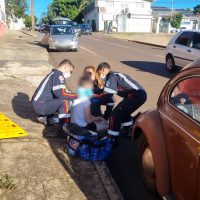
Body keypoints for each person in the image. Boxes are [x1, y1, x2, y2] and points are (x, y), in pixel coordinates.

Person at [96, 62, 147, 142]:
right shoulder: (115, 75)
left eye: (99, 73)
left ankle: (111, 138)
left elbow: (107, 94)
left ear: (103, 70)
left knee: (115, 114)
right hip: (138, 95)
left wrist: (93, 99)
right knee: (123, 113)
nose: (100, 76)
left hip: (136, 95)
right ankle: (130, 132)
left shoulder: (111, 76)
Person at [31, 59, 77, 132]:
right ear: (65, 67)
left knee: (67, 100)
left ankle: (47, 118)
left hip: (40, 103)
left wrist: (72, 95)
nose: (70, 74)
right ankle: (63, 130)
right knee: (65, 102)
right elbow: (62, 94)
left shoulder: (54, 74)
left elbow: (62, 92)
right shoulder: (58, 75)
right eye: (70, 71)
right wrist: (77, 96)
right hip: (40, 105)